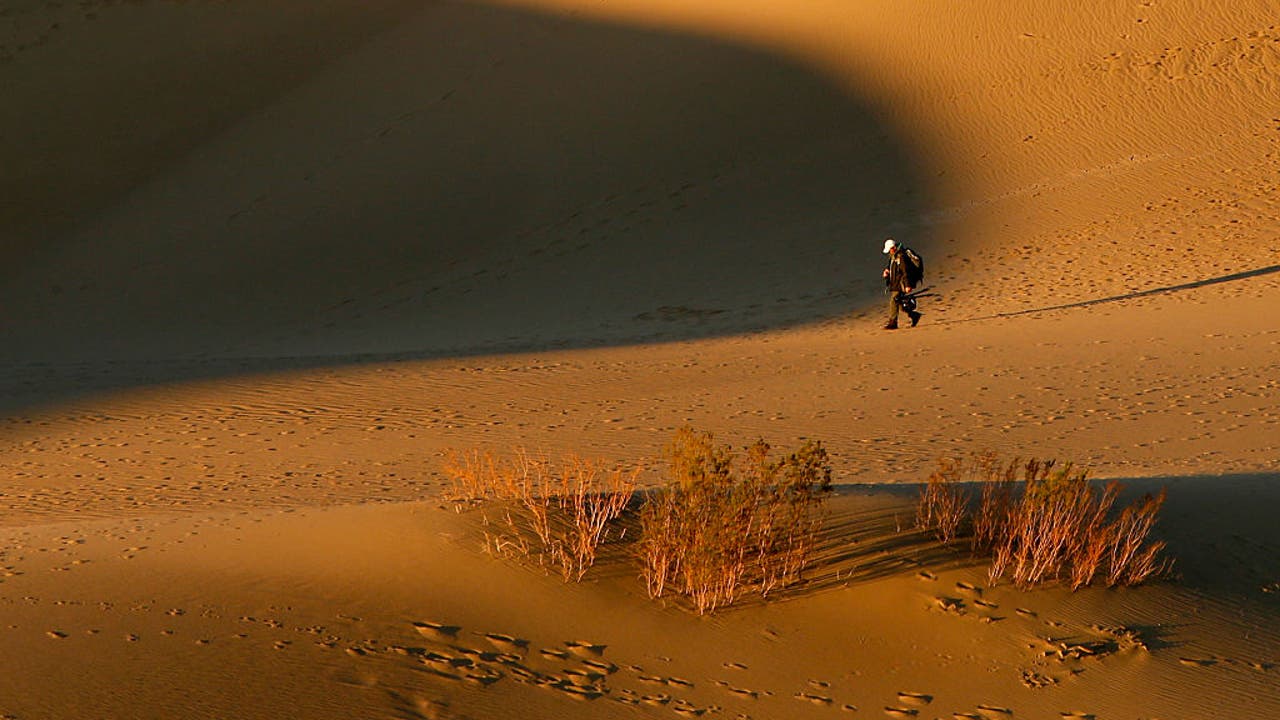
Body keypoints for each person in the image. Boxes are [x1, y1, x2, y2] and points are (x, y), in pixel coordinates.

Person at [881, 238, 922, 329]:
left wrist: (907, 285)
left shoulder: (901, 257)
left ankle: (893, 322)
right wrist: (887, 270)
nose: (889, 252)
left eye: (890, 250)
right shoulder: (893, 256)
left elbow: (905, 271)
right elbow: (891, 266)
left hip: (901, 283)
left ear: (893, 248)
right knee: (898, 302)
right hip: (895, 283)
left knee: (893, 300)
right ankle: (914, 315)